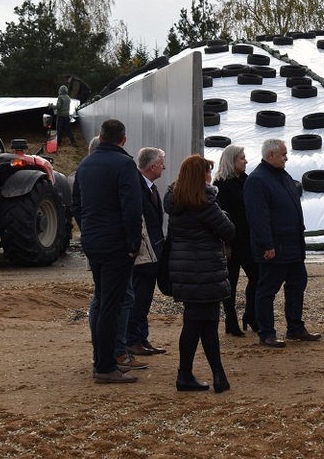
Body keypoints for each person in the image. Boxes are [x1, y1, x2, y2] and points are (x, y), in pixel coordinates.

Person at [72, 119, 142, 384]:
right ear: (123, 140)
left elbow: (75, 202)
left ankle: (105, 360)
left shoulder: (85, 164)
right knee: (110, 306)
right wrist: (133, 243)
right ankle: (104, 367)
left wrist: (87, 227)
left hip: (93, 241)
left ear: (100, 137)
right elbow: (132, 208)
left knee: (102, 300)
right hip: (116, 244)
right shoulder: (124, 165)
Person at [165, 155, 235, 393]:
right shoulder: (204, 202)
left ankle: (215, 376)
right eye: (207, 172)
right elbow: (229, 231)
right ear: (200, 176)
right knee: (200, 324)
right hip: (206, 271)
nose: (210, 176)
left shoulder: (176, 200)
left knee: (199, 323)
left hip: (185, 271)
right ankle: (199, 376)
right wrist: (224, 213)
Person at [244, 139, 321, 348]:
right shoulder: (257, 180)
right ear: (271, 156)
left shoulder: (282, 175)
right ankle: (266, 333)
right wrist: (267, 244)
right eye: (283, 154)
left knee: (298, 284)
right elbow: (258, 217)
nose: (287, 158)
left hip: (293, 246)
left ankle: (295, 327)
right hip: (275, 248)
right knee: (267, 290)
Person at [214, 145, 259, 337]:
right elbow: (221, 217)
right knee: (230, 283)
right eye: (242, 158)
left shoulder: (247, 181)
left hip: (248, 240)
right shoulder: (221, 185)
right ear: (232, 161)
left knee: (257, 277)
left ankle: (250, 314)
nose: (246, 161)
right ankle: (230, 320)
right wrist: (226, 243)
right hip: (232, 242)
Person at [126, 147, 168, 357]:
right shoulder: (137, 187)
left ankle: (141, 338)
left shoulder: (150, 187)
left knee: (145, 298)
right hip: (143, 253)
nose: (164, 166)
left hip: (154, 251)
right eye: (161, 163)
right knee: (138, 298)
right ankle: (133, 340)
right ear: (152, 166)